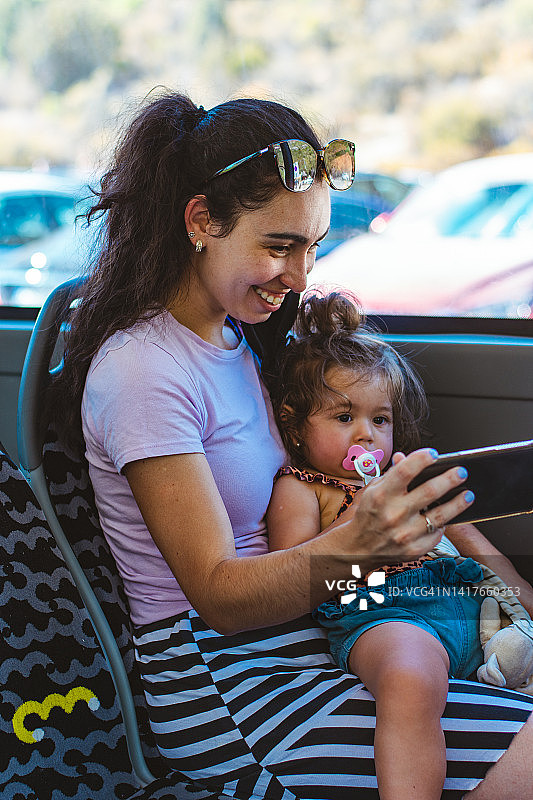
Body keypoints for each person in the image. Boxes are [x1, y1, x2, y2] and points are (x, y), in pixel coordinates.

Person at [55, 90, 533, 799]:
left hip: (305, 639)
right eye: (278, 246)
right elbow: (217, 596)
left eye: (311, 246)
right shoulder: (143, 371)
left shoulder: (236, 339)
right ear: (200, 221)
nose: (299, 276)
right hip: (226, 683)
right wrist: (356, 547)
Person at [267, 290, 511, 798]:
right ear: (293, 425)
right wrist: (356, 529)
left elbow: (470, 539)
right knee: (409, 679)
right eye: (343, 418)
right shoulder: (303, 487)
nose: (368, 435)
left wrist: (519, 595)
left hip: (464, 603)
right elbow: (295, 578)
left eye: (379, 419)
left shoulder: (400, 476)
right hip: (382, 614)